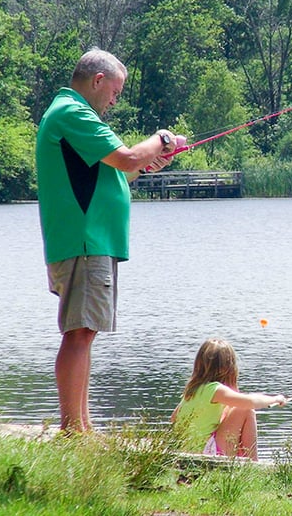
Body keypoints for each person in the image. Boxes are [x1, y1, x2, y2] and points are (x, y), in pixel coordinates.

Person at [35, 47, 184, 433]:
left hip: (90, 241)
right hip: (85, 241)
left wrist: (148, 161)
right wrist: (162, 138)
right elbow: (129, 157)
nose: (115, 100)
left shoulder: (72, 115)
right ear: (97, 80)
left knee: (85, 331)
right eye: (115, 92)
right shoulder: (73, 112)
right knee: (80, 331)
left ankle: (81, 427)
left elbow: (121, 171)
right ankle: (73, 430)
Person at [171, 339, 287, 460]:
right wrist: (275, 399)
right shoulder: (215, 389)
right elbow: (250, 402)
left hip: (186, 451)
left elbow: (174, 417)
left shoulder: (192, 390)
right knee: (246, 410)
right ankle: (253, 465)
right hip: (207, 453)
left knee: (231, 409)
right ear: (227, 367)